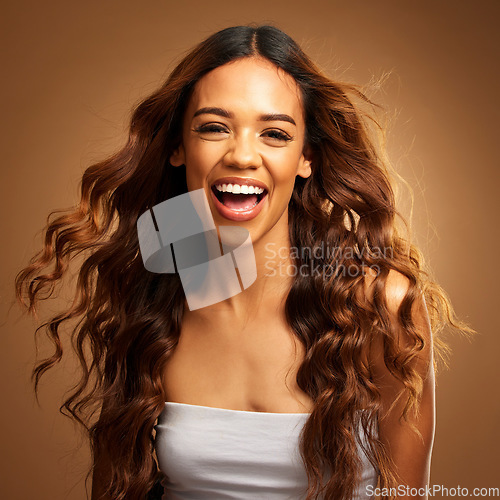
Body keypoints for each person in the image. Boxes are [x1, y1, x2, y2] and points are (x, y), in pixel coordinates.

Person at [15, 25, 474, 500]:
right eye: (214, 127)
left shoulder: (379, 303)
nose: (242, 156)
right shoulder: (151, 290)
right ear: (178, 146)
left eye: (274, 133)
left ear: (306, 157)